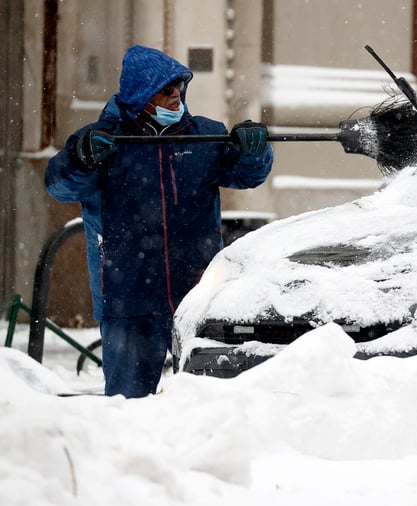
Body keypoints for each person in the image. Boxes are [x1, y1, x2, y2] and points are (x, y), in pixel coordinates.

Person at [45, 45, 273, 398]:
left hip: (198, 296)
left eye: (179, 88)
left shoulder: (202, 136)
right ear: (141, 94)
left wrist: (255, 150)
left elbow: (247, 174)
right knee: (128, 404)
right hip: (126, 297)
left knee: (208, 401)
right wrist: (80, 158)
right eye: (166, 90)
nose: (176, 97)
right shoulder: (102, 142)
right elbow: (59, 185)